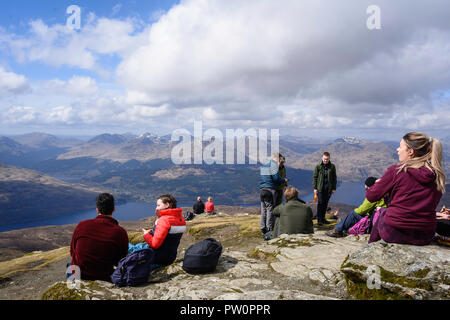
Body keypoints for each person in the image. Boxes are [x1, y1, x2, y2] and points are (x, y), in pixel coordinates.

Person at [367, 132, 445, 246]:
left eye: (400, 146)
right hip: (425, 236)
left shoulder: (397, 171)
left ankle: (370, 248)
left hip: (394, 233)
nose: (397, 150)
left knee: (382, 212)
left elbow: (371, 196)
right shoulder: (437, 176)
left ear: (410, 152)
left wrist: (378, 183)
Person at [70, 193, 129, 281]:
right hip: (103, 276)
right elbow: (120, 260)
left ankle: (71, 287)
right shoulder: (120, 232)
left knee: (69, 266)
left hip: (77, 275)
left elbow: (72, 252)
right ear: (113, 209)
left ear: (97, 210)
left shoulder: (81, 225)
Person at [142, 194, 186, 266]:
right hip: (170, 257)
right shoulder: (181, 220)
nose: (156, 208)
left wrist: (146, 234)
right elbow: (169, 238)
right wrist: (154, 232)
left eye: (158, 205)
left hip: (156, 258)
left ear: (167, 205)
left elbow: (154, 244)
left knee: (129, 247)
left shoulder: (164, 220)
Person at [259, 152, 289, 236]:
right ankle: (270, 229)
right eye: (279, 160)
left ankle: (262, 227)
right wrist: (284, 180)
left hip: (262, 189)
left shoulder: (265, 165)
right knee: (270, 209)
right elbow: (276, 178)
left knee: (263, 209)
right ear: (276, 158)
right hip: (270, 189)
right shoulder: (273, 165)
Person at [313, 152, 337, 225]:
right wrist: (315, 188)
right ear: (322, 158)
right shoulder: (318, 166)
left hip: (328, 189)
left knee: (325, 204)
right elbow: (315, 177)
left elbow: (334, 178)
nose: (325, 160)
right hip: (320, 188)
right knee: (320, 204)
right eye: (324, 159)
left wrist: (333, 188)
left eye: (327, 159)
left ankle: (323, 219)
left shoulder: (332, 166)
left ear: (329, 158)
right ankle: (319, 220)